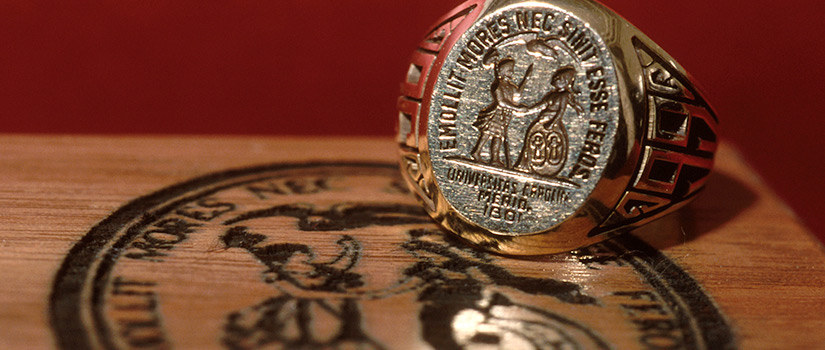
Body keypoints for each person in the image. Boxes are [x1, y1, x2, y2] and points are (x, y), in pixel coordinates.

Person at [515, 66, 583, 176]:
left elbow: (561, 112)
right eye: (555, 77)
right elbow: (541, 106)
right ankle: (524, 164)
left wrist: (553, 123)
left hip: (551, 123)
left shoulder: (564, 95)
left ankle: (545, 169)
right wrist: (527, 110)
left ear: (565, 82)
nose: (554, 79)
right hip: (542, 121)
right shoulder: (552, 94)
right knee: (529, 139)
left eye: (558, 78)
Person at [471, 58, 530, 167]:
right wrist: (517, 109)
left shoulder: (511, 87)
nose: (511, 73)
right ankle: (481, 153)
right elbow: (501, 102)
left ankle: (493, 157)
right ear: (502, 71)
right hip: (497, 113)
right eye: (509, 70)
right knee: (489, 134)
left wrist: (526, 79)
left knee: (497, 135)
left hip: (506, 115)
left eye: (512, 70)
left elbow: (518, 94)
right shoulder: (497, 85)